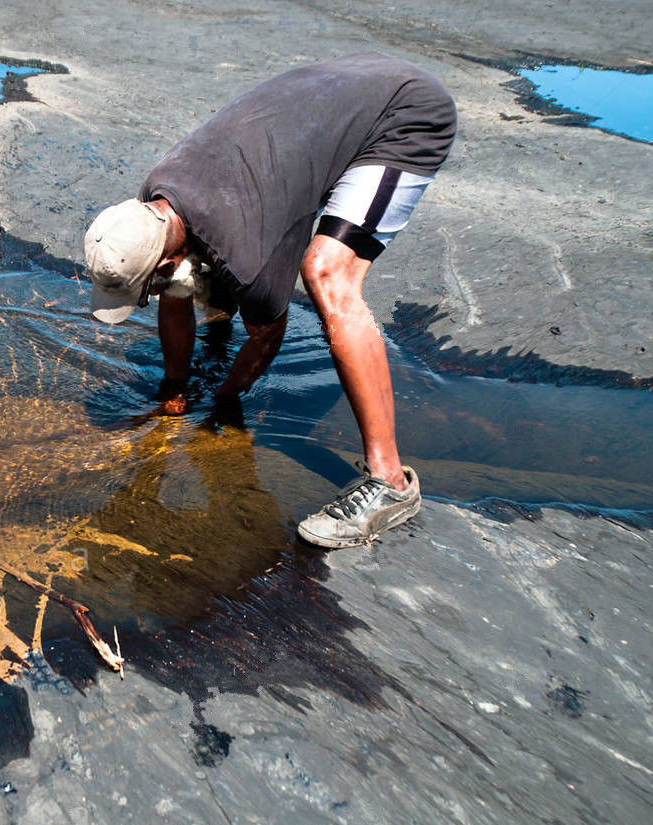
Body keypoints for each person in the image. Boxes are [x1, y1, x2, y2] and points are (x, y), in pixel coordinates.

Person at [83, 52, 456, 548]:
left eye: (144, 288)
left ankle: (389, 484)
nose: (148, 297)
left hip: (402, 115)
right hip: (345, 82)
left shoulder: (249, 260)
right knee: (216, 262)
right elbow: (173, 288)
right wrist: (173, 388)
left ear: (168, 263)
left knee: (326, 274)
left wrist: (224, 395)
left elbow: (266, 337)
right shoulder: (154, 202)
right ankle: (211, 319)